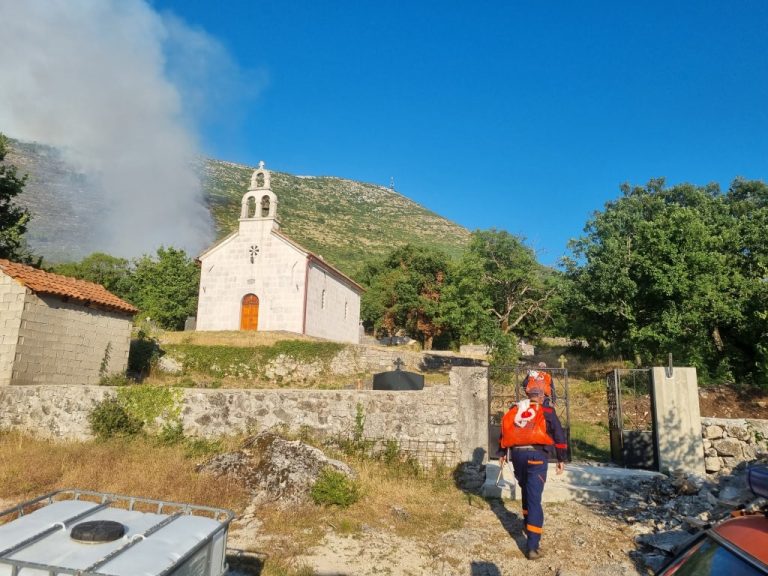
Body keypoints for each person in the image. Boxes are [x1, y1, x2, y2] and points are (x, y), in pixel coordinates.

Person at [498, 385, 568, 560]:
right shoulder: (547, 411)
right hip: (536, 456)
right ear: (542, 396)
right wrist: (561, 458)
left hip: (517, 456)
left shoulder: (516, 409)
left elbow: (505, 430)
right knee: (534, 499)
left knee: (526, 490)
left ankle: (526, 522)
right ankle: (533, 547)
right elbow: (559, 435)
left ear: (528, 395)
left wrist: (502, 453)